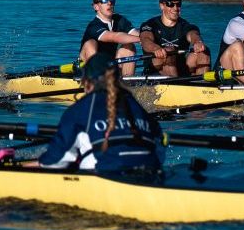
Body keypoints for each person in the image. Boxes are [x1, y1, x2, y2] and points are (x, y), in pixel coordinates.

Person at [33, 65, 163, 180]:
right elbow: (160, 152)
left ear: (87, 82)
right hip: (149, 175)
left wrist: (23, 166)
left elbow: (54, 162)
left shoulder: (80, 109)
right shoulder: (137, 106)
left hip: (105, 177)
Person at [133, 0, 212, 77]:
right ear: (162, 6)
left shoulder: (185, 25)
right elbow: (145, 40)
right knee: (169, 51)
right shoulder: (150, 24)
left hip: (180, 68)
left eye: (178, 4)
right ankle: (175, 86)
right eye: (170, 4)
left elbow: (193, 34)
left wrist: (198, 42)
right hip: (155, 67)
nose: (175, 8)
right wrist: (155, 49)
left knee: (204, 51)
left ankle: (203, 86)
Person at [76, 0, 141, 72]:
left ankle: (127, 82)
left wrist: (151, 41)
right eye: (104, 0)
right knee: (90, 44)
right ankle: (95, 80)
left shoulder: (119, 20)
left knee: (129, 46)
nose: (109, 3)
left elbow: (137, 34)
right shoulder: (94, 26)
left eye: (111, 0)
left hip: (109, 65)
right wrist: (141, 39)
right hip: (86, 69)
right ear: (96, 7)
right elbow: (115, 37)